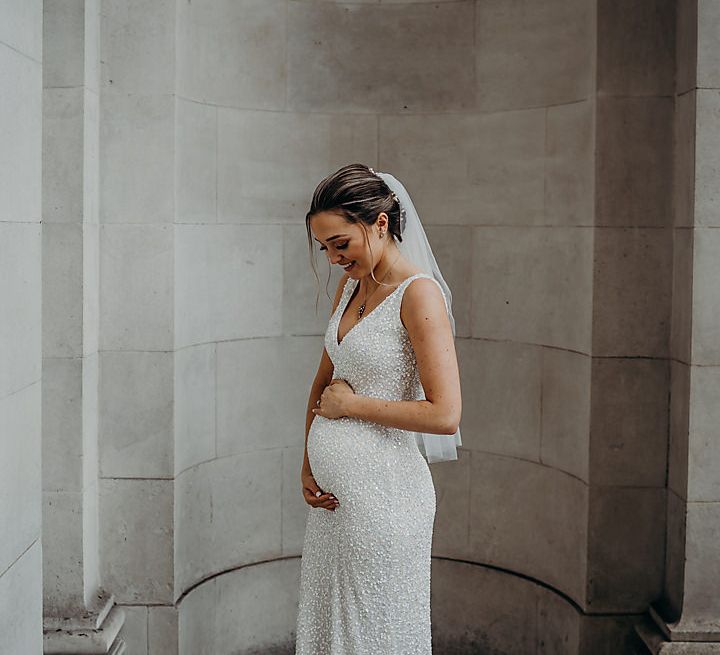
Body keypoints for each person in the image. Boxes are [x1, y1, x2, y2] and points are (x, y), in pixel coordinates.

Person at [295, 163, 462, 654]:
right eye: (324, 247)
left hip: (386, 501)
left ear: (381, 224)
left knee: (372, 635)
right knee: (331, 630)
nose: (332, 258)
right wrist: (306, 463)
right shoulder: (351, 288)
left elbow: (444, 414)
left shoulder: (418, 295)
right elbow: (322, 383)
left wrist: (353, 406)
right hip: (335, 504)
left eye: (340, 244)